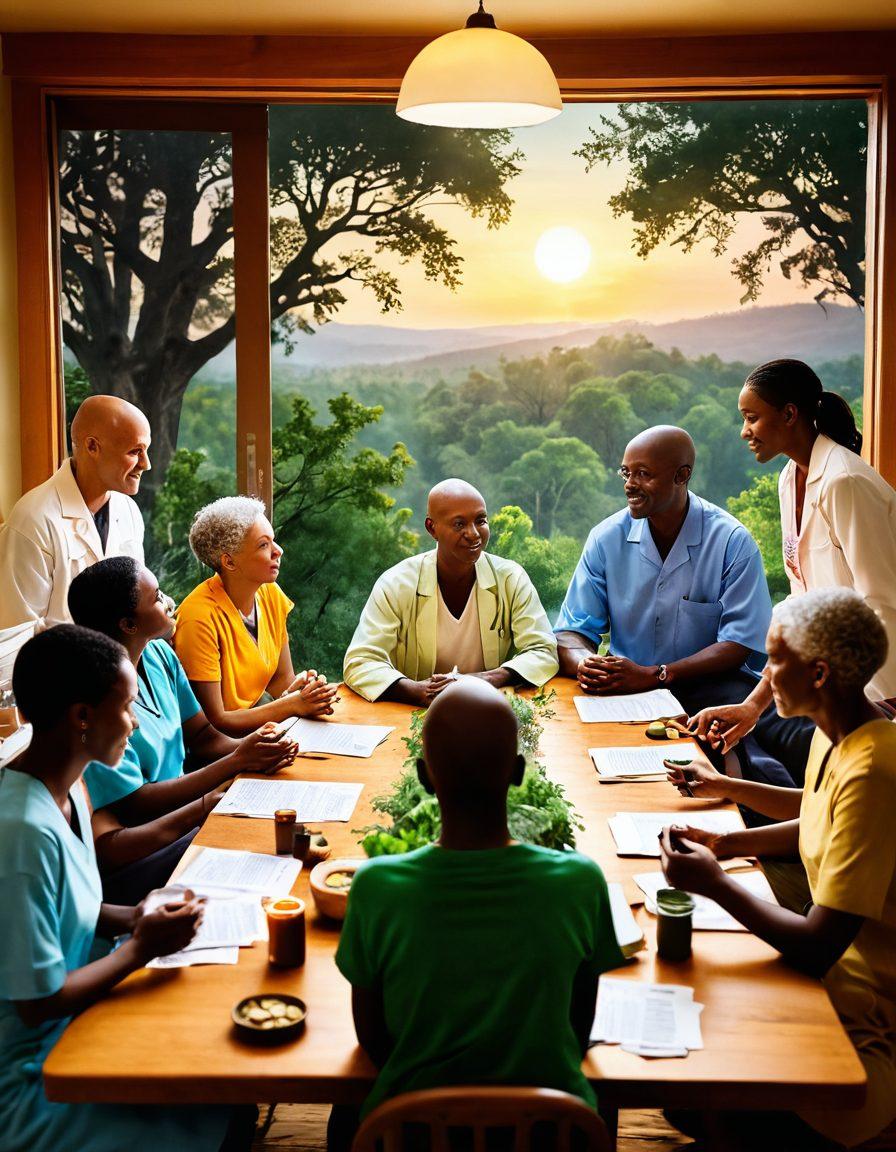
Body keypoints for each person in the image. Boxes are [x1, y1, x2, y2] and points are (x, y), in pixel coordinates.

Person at [332, 678, 623, 1147]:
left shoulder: (376, 888)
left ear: (425, 778)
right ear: (518, 771)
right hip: (550, 1133)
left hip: (413, 1134)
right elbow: (577, 1028)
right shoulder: (580, 882)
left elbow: (373, 1041)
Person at [0, 624, 256, 1151]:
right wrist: (142, 946)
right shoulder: (21, 833)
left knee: (232, 1090)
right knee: (222, 1112)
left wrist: (133, 916)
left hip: (86, 1014)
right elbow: (37, 1001)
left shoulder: (68, 790)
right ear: (82, 717)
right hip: (37, 1070)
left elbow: (73, 907)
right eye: (128, 707)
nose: (136, 722)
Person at [660, 588, 896, 1150]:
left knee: (698, 1093)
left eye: (774, 660)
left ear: (817, 673)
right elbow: (815, 813)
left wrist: (715, 884)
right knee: (682, 1095)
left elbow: (818, 944)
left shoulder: (875, 769)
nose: (762, 676)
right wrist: (726, 839)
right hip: (831, 984)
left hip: (864, 1028)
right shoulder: (841, 733)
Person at [690, 358, 896, 759]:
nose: (744, 431)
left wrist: (868, 708)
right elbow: (802, 605)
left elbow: (883, 605)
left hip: (876, 693)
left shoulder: (845, 482)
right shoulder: (790, 478)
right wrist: (752, 706)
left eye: (752, 417)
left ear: (789, 414)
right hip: (835, 692)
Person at [67, 557, 297, 902]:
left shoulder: (160, 654)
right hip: (148, 841)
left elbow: (203, 736)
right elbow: (134, 805)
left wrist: (256, 747)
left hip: (183, 815)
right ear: (129, 624)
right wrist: (236, 763)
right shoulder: (98, 703)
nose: (169, 601)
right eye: (158, 598)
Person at [554, 426, 772, 715]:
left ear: (681, 476)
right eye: (625, 473)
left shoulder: (732, 541)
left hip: (710, 688)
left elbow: (739, 643)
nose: (629, 484)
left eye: (643, 474)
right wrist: (586, 662)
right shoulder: (605, 538)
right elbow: (571, 630)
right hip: (625, 687)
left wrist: (657, 674)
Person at [343, 479, 558, 704]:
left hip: (489, 708)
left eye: (480, 521)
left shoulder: (511, 578)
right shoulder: (396, 584)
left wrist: (484, 680)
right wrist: (417, 691)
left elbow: (543, 649)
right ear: (431, 528)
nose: (473, 533)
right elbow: (360, 661)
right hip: (413, 715)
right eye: (459, 524)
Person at [175, 496, 337, 735]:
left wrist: (299, 691)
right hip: (226, 748)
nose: (278, 551)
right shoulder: (198, 619)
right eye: (263, 545)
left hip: (264, 730)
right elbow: (215, 722)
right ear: (229, 562)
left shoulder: (271, 593)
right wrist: (293, 704)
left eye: (274, 541)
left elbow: (281, 679)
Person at [0, 395, 150, 630]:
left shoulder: (129, 510)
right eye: (135, 451)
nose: (146, 464)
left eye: (146, 450)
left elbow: (138, 599)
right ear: (92, 446)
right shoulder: (32, 521)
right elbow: (15, 634)